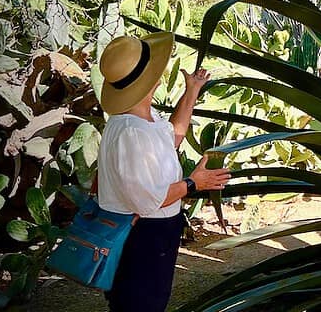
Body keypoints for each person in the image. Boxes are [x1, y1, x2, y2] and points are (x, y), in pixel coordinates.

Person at [94, 32, 231, 312]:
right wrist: (194, 183)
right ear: (148, 80)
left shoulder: (142, 119)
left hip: (154, 232)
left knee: (145, 300)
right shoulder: (132, 132)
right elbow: (149, 200)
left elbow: (174, 136)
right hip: (143, 235)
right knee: (141, 303)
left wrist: (191, 91)